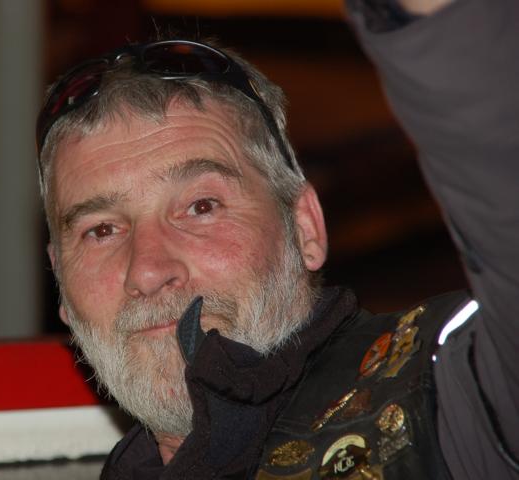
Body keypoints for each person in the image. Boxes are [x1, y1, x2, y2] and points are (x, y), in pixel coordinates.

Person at [35, 0, 519, 477]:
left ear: (305, 227)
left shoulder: (451, 398)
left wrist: (433, 21)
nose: (147, 270)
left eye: (201, 207)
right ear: (62, 285)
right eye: (101, 230)